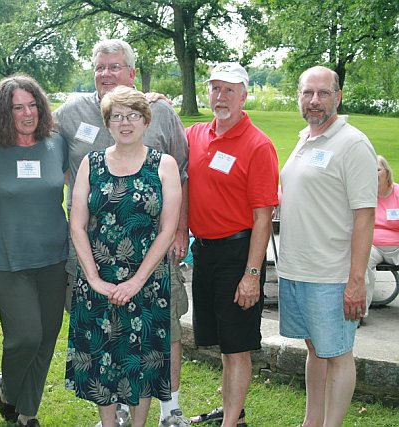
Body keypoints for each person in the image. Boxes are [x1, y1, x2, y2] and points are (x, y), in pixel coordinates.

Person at [54, 38, 191, 427]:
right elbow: (30, 125)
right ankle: (110, 419)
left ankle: (168, 411)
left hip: (148, 266)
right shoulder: (73, 118)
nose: (107, 74)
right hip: (95, 263)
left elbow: (182, 175)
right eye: (100, 67)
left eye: (115, 67)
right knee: (104, 346)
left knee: (152, 344)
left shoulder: (161, 122)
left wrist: (179, 232)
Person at [277, 65, 377, 426]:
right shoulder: (306, 137)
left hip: (332, 274)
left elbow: (364, 216)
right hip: (297, 268)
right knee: (315, 348)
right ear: (299, 97)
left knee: (337, 354)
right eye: (308, 93)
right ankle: (311, 421)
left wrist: (355, 281)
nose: (314, 100)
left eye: (323, 93)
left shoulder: (352, 143)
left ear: (338, 96)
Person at [186, 62, 279, 427]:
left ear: (244, 95)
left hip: (239, 254)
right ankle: (232, 414)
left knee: (238, 346)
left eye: (229, 90)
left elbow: (263, 216)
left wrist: (252, 274)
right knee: (225, 343)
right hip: (204, 252)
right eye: (215, 89)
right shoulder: (195, 133)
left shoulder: (258, 145)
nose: (221, 96)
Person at [0, 75, 69, 427]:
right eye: (18, 107)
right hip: (9, 260)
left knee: (47, 338)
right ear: (5, 112)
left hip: (55, 258)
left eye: (32, 105)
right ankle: (7, 392)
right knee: (24, 337)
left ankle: (27, 414)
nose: (27, 113)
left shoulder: (57, 143)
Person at [365, 155, 399, 315]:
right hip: (372, 245)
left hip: (397, 246)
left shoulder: (397, 193)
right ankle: (358, 313)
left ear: (387, 172)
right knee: (360, 263)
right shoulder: (365, 194)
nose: (373, 173)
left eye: (377, 169)